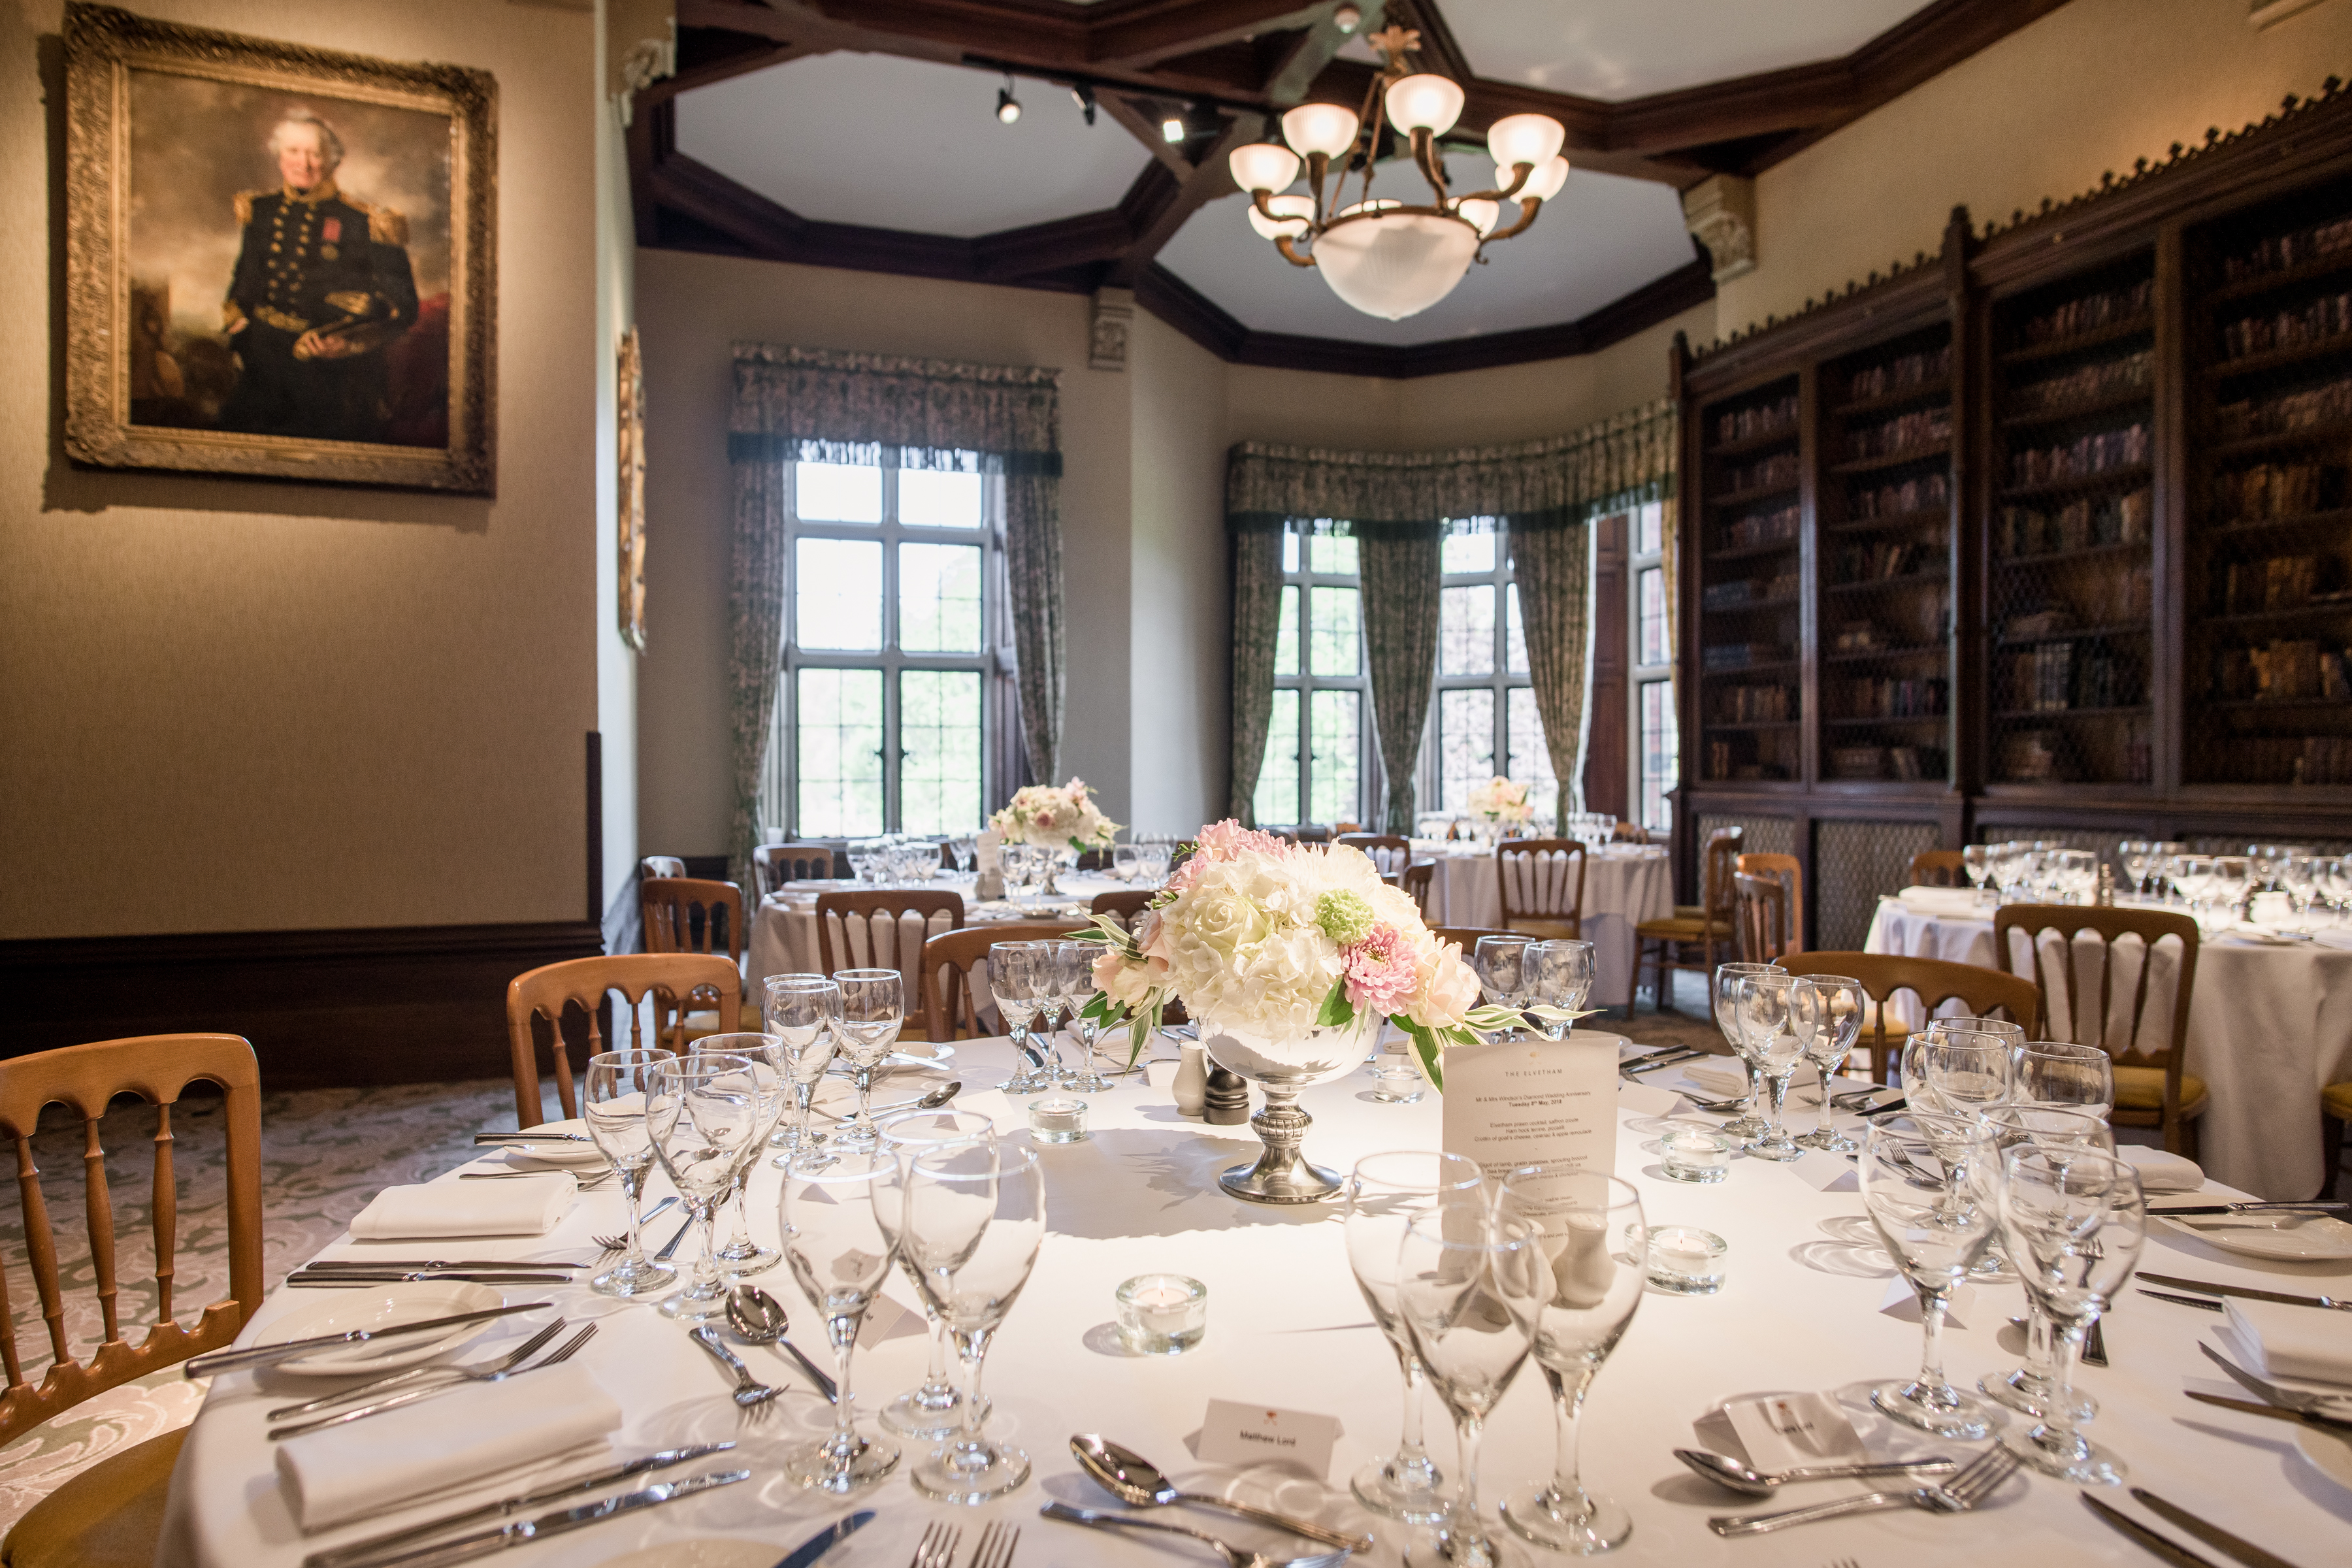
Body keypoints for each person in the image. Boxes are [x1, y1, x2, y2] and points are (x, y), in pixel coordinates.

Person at [218, 108, 419, 443]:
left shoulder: (366, 222)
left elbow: (403, 308)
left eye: (315, 154)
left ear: (333, 160)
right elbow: (245, 278)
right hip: (263, 363)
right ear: (280, 158)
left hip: (333, 374)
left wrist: (351, 340)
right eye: (293, 152)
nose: (304, 163)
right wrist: (237, 318)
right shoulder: (261, 211)